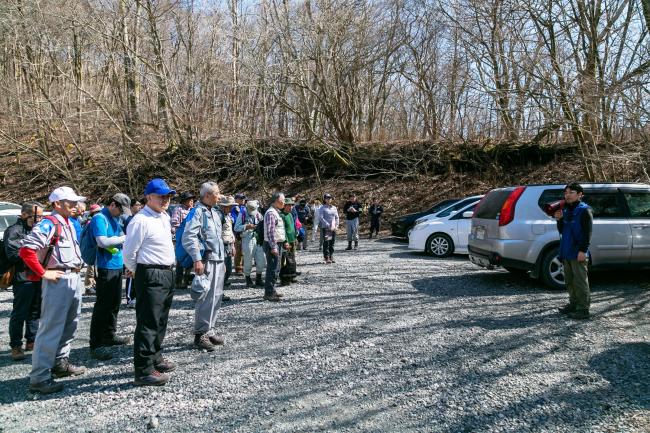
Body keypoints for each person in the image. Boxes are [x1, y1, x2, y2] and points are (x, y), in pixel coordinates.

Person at [19, 186, 87, 394]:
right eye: (70, 201)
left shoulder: (67, 223)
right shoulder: (50, 223)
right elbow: (26, 250)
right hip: (58, 279)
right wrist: (43, 273)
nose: (75, 205)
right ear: (57, 204)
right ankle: (39, 377)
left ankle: (59, 363)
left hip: (72, 277)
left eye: (76, 201)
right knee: (50, 328)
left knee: (70, 324)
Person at [123, 178, 177, 386]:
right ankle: (144, 369)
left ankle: (155, 357)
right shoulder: (140, 220)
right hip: (150, 272)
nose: (166, 200)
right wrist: (138, 272)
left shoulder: (163, 216)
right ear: (148, 197)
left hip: (166, 272)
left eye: (168, 196)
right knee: (148, 322)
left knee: (161, 319)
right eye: (161, 196)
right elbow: (129, 252)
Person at [182, 182, 227, 351]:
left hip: (218, 259)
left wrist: (223, 260)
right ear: (207, 195)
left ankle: (210, 329)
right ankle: (200, 334)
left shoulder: (215, 213)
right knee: (205, 297)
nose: (219, 195)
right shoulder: (197, 212)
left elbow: (219, 238)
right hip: (206, 260)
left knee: (216, 296)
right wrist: (196, 259)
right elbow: (189, 236)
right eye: (217, 193)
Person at [88, 193, 132, 360]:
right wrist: (125, 238)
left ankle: (109, 335)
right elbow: (102, 241)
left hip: (116, 265)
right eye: (120, 209)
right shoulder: (99, 218)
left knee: (114, 303)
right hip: (105, 267)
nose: (121, 214)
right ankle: (96, 344)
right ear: (113, 204)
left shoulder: (115, 218)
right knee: (102, 305)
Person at [4, 202, 44, 361]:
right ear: (25, 215)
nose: (40, 219)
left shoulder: (37, 230)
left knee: (35, 311)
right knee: (20, 312)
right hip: (22, 277)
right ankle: (15, 345)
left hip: (38, 275)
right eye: (38, 216)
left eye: (41, 216)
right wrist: (32, 255)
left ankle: (31, 341)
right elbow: (12, 254)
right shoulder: (14, 231)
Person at [554, 182, 593, 320]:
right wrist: (559, 220)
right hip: (567, 251)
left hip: (578, 251)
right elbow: (562, 231)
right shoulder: (566, 210)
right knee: (569, 280)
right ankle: (573, 304)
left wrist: (583, 251)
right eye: (566, 193)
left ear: (580, 195)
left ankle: (583, 309)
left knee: (580, 281)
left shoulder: (585, 210)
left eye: (571, 192)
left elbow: (588, 233)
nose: (567, 195)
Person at [234, 200, 266, 288]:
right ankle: (248, 279)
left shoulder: (259, 214)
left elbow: (263, 224)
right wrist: (246, 226)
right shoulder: (242, 214)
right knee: (248, 260)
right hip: (247, 238)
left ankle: (258, 278)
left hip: (258, 238)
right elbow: (236, 228)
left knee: (261, 260)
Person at [263, 192, 288, 302]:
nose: (284, 202)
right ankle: (269, 293)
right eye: (282, 200)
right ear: (276, 201)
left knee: (276, 268)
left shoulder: (276, 212)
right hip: (272, 244)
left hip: (278, 243)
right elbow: (270, 232)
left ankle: (272, 290)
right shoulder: (271, 213)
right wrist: (273, 246)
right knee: (272, 268)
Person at [171, 191, 195, 290]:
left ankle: (186, 279)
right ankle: (178, 281)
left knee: (190, 258)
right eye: (190, 200)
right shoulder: (178, 209)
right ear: (184, 201)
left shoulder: (193, 210)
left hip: (191, 237)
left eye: (192, 199)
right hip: (181, 237)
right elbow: (174, 223)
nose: (192, 201)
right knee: (180, 259)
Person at [124, 198, 143, 308]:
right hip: (131, 251)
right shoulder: (129, 220)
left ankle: (136, 297)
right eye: (136, 205)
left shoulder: (141, 218)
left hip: (140, 252)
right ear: (131, 207)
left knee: (137, 275)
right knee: (131, 275)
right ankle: (129, 298)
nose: (139, 207)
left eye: (140, 205)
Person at [218, 195, 236, 300]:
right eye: (230, 206)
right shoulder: (219, 216)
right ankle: (218, 292)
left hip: (228, 244)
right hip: (221, 245)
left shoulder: (228, 216)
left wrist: (233, 245)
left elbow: (230, 231)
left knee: (228, 270)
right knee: (222, 270)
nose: (231, 208)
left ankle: (220, 290)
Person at [83, 204, 102, 295]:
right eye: (97, 212)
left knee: (94, 268)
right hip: (92, 248)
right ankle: (88, 286)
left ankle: (92, 284)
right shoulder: (90, 222)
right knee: (91, 268)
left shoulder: (93, 221)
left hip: (95, 248)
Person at [280, 198, 298, 285]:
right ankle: (284, 278)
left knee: (292, 259)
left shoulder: (290, 215)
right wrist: (285, 241)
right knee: (284, 260)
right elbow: (282, 230)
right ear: (284, 206)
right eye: (289, 205)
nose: (291, 207)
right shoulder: (282, 215)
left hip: (292, 240)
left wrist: (295, 238)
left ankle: (292, 275)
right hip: (286, 241)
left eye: (292, 205)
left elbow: (293, 228)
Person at [319, 193, 339, 264]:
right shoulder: (322, 208)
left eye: (330, 198)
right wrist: (328, 225)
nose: (329, 199)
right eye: (327, 198)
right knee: (326, 242)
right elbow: (321, 218)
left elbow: (336, 217)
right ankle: (326, 257)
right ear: (324, 199)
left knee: (332, 242)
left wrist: (336, 225)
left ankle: (331, 255)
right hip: (326, 228)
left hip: (333, 228)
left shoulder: (334, 207)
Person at [231, 193, 247, 274]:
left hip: (245, 231)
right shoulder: (233, 209)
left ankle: (244, 266)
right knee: (239, 251)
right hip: (236, 232)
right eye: (241, 198)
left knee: (245, 250)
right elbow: (233, 220)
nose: (242, 200)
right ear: (236, 199)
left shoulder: (245, 208)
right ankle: (238, 267)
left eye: (243, 198)